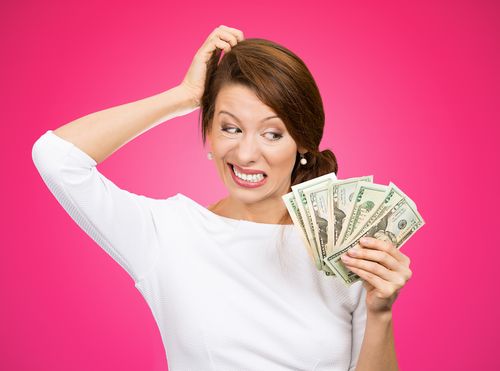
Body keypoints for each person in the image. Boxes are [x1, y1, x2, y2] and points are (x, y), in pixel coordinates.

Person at [32, 25, 412, 371]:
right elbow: (57, 158)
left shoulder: (346, 248)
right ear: (209, 136)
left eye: (272, 134)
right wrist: (183, 97)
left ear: (303, 145)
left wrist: (380, 312)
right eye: (230, 128)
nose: (246, 154)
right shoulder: (168, 234)